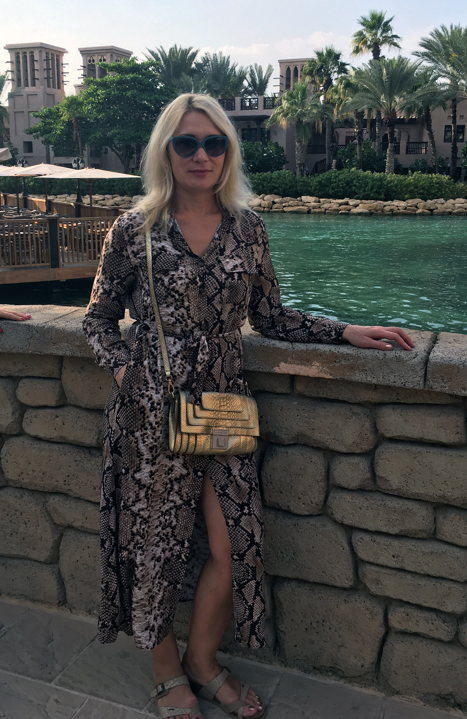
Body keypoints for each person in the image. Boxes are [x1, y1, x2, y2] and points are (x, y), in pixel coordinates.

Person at [83, 93, 414, 719]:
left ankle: (204, 660)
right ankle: (167, 673)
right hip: (151, 412)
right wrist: (128, 372)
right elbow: (97, 321)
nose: (201, 155)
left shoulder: (248, 228)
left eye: (214, 143)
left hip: (223, 407)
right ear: (165, 152)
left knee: (236, 543)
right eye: (186, 143)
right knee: (154, 546)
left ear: (228, 153)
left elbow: (270, 316)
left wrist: (346, 331)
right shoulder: (134, 229)